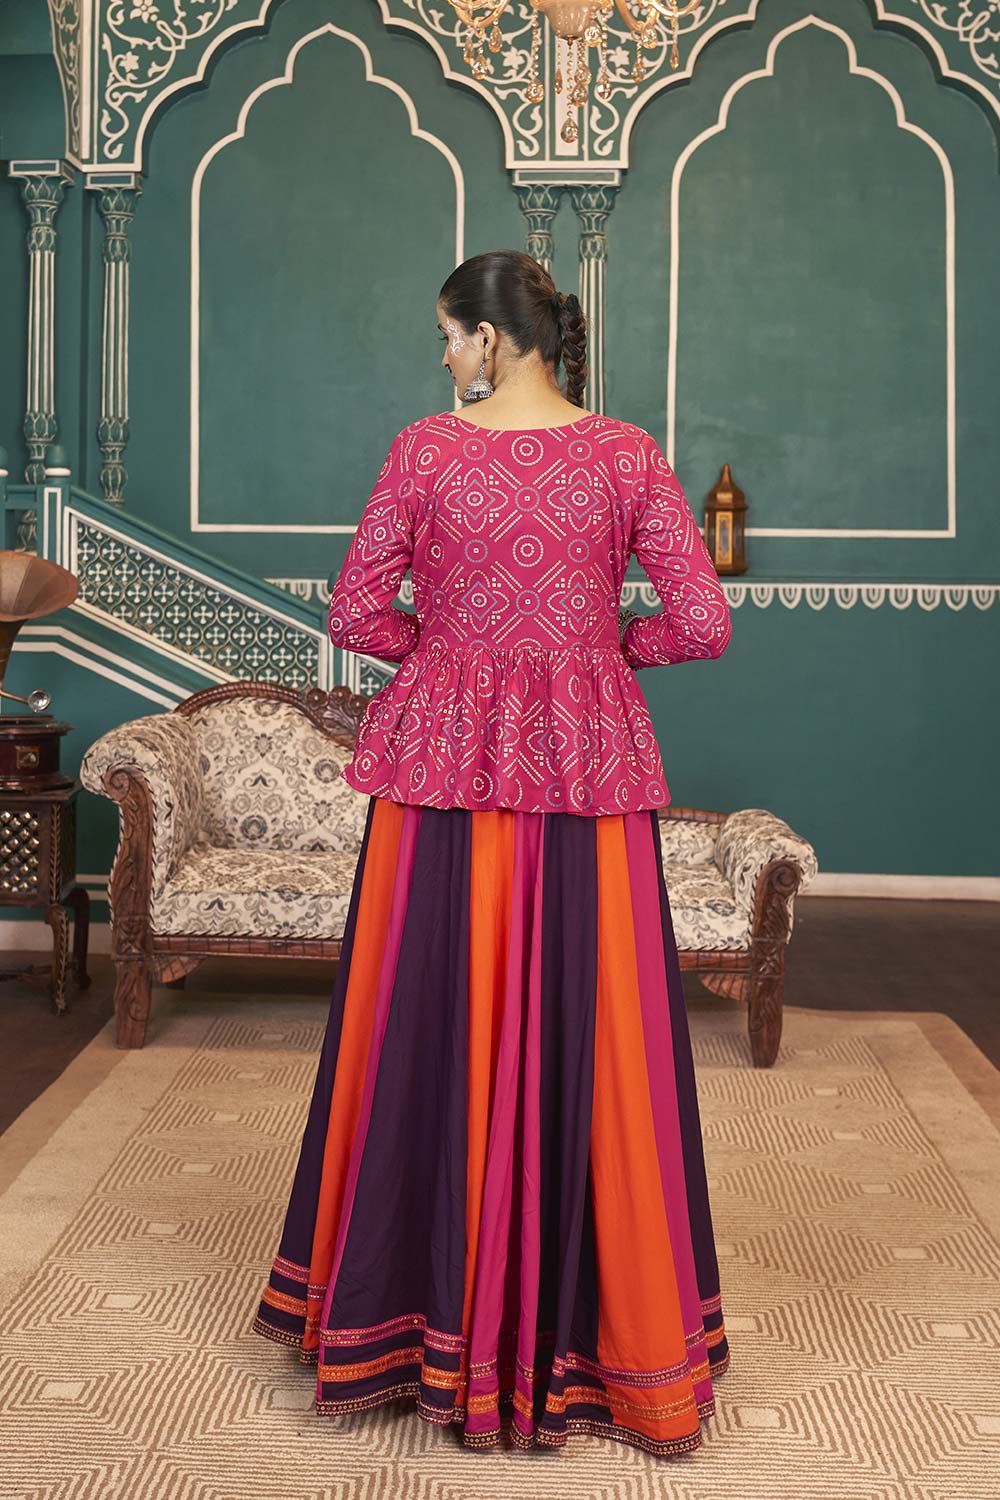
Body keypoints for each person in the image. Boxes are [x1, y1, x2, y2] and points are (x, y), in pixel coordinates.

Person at [252, 248, 733, 1459]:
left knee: (424, 1016)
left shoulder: (426, 451)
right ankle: (607, 1338)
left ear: (488, 339)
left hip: (442, 761)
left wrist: (452, 652)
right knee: (599, 1029)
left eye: (447, 334)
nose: (443, 355)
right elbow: (701, 622)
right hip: (586, 759)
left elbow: (357, 613)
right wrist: (599, 648)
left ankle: (406, 1316)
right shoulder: (626, 453)